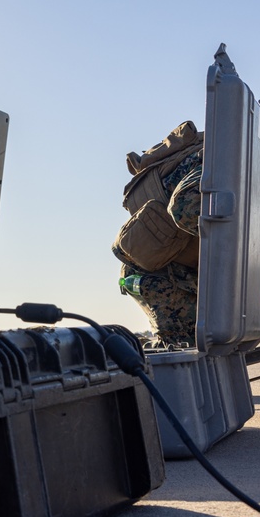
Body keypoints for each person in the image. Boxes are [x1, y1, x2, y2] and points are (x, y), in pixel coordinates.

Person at [113, 120, 203, 349]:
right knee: (185, 351)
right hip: (156, 277)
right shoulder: (223, 162)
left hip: (180, 273)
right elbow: (185, 209)